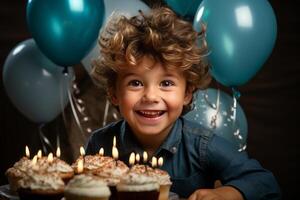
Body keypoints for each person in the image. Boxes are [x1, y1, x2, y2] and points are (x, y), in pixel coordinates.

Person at [85, 7, 281, 200]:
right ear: (113, 93)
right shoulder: (100, 143)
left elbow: (264, 182)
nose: (151, 96)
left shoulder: (202, 146)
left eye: (166, 83)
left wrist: (227, 193)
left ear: (187, 93)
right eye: (135, 83)